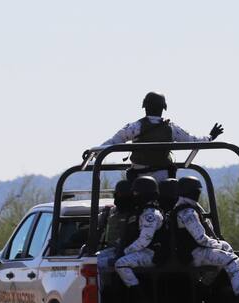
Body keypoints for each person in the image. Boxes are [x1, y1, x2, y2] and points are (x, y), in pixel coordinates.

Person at [84, 92, 224, 178]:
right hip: (164, 177)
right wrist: (211, 137)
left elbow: (114, 141)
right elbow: (193, 140)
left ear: (144, 106)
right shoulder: (171, 128)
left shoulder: (135, 127)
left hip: (138, 177)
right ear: (164, 108)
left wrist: (94, 152)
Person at [174, 176, 239, 303]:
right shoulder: (187, 212)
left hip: (193, 250)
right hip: (193, 253)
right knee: (232, 259)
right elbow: (201, 239)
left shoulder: (186, 207)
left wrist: (220, 246)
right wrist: (217, 245)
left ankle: (203, 287)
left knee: (226, 247)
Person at [113, 176, 164, 290]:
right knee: (101, 260)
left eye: (136, 192)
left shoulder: (150, 214)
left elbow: (144, 240)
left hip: (151, 253)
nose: (134, 195)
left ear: (144, 193)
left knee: (120, 263)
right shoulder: (141, 211)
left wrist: (125, 252)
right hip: (143, 250)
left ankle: (137, 293)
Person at [96, 179, 134, 278]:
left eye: (126, 196)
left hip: (127, 251)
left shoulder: (136, 215)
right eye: (119, 195)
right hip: (112, 250)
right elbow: (98, 230)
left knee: (96, 264)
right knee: (89, 261)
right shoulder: (110, 212)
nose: (122, 198)